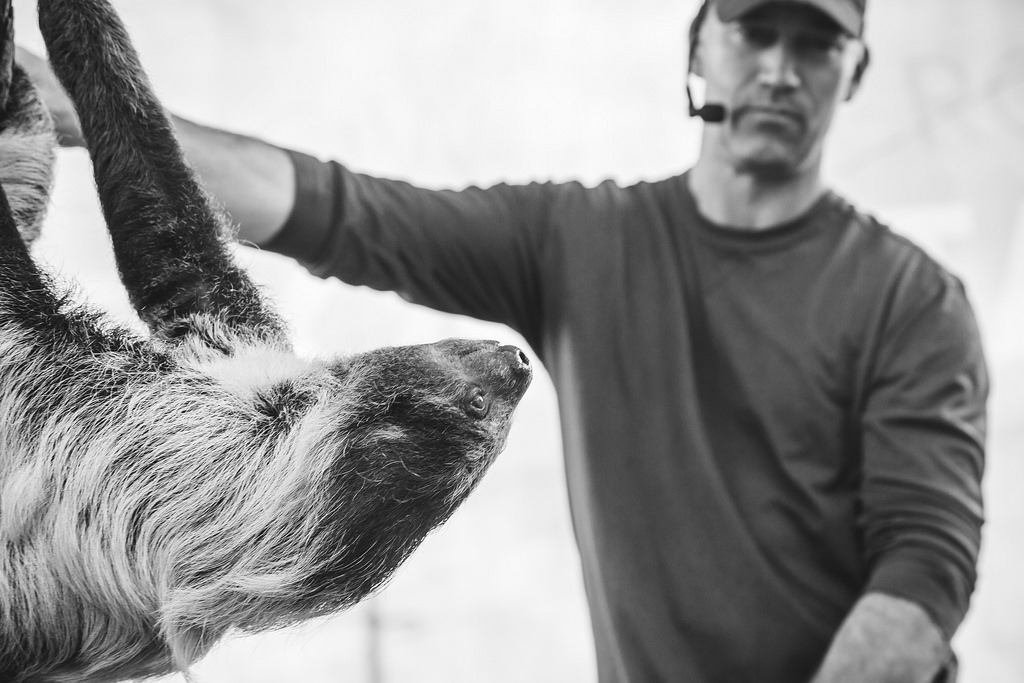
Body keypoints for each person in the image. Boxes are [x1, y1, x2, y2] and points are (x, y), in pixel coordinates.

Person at [20, 0, 988, 681]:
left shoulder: (911, 298)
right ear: (699, 49)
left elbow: (926, 563)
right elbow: (333, 215)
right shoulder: (583, 241)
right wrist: (73, 88)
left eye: (819, 42)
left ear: (854, 69)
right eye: (756, 27)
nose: (782, 65)